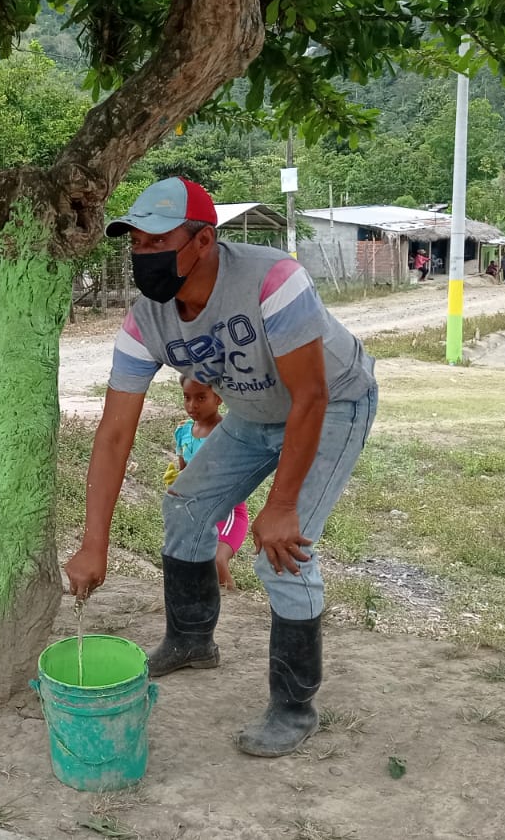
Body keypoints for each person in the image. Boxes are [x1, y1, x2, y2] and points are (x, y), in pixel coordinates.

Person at [64, 177, 378, 758]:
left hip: (333, 403)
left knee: (283, 551)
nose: (143, 256)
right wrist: (93, 542)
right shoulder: (145, 320)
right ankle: (190, 640)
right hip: (255, 413)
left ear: (204, 240)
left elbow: (311, 396)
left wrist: (281, 506)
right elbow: (114, 433)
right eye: (136, 244)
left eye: (158, 243)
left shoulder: (272, 280)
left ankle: (294, 707)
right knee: (185, 507)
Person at [165, 377, 250, 591]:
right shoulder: (184, 432)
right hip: (196, 512)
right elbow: (185, 471)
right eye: (187, 398)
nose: (192, 405)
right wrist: (178, 481)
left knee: (216, 559)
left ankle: (234, 605)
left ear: (219, 397)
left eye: (201, 398)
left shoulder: (228, 433)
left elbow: (235, 478)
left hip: (227, 512)